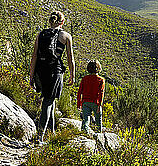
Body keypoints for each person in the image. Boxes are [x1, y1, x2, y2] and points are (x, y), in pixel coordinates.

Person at [29, 11, 75, 144]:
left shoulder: (40, 34)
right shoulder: (65, 36)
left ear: (50, 21)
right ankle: (40, 137)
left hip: (39, 71)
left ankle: (51, 133)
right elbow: (70, 58)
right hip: (54, 71)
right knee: (48, 102)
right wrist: (73, 75)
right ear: (62, 22)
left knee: (50, 101)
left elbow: (34, 56)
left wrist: (31, 76)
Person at [77, 60, 105, 133]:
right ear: (98, 68)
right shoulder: (101, 80)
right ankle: (98, 135)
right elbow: (101, 94)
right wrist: (99, 105)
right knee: (98, 120)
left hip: (85, 102)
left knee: (85, 120)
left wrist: (79, 104)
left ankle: (84, 133)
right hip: (96, 103)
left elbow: (79, 92)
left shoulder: (84, 79)